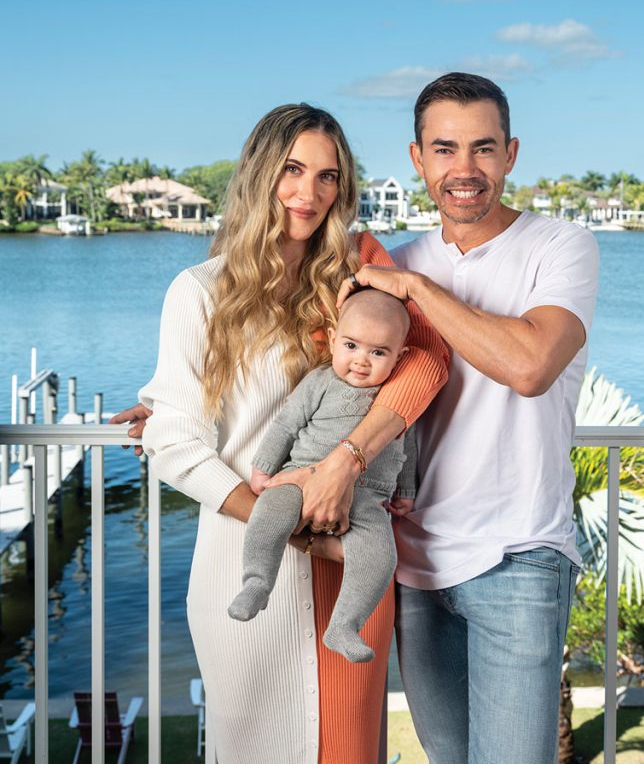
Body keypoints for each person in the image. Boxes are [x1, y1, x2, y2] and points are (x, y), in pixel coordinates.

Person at [113, 103, 448, 764]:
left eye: (328, 176)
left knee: (348, 749)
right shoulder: (198, 292)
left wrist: (345, 464)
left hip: (344, 568)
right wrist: (281, 521)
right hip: (245, 562)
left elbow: (428, 361)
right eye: (293, 169)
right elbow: (178, 440)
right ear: (260, 174)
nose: (309, 191)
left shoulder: (356, 277)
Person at [336, 73, 600, 764]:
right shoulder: (392, 264)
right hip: (415, 563)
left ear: (511, 154)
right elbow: (319, 364)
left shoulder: (560, 248)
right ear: (417, 158)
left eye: (483, 148)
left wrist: (420, 290)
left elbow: (531, 365)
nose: (465, 169)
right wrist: (183, 402)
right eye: (445, 149)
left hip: (520, 557)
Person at [228, 288, 417, 666]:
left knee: (380, 556)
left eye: (378, 352)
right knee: (271, 511)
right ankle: (257, 581)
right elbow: (286, 425)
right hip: (303, 479)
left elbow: (407, 448)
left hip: (368, 500)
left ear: (401, 356)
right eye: (351, 346)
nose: (361, 361)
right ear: (333, 340)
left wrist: (407, 491)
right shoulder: (320, 382)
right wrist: (264, 469)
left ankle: (345, 625)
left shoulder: (398, 397)